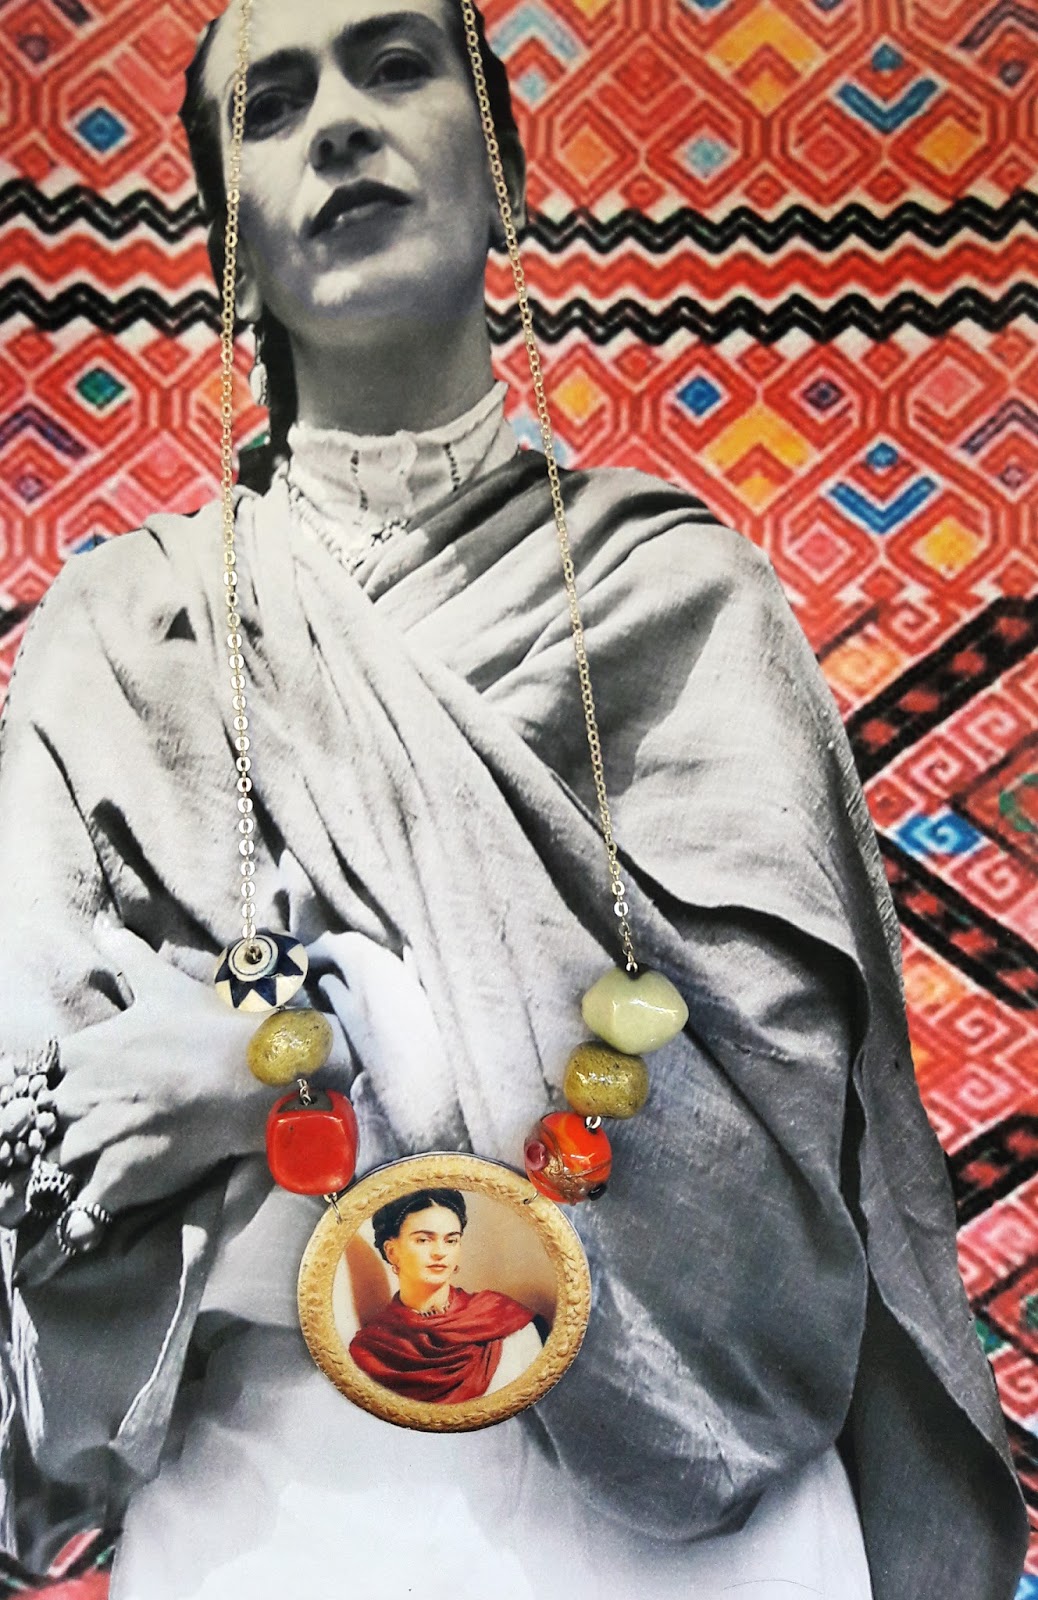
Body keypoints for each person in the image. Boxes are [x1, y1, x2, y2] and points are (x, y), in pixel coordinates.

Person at [0, 0, 1027, 1596]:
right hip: (276, 1505)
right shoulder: (124, 636)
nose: (340, 123)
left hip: (697, 1515)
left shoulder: (682, 600)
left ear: (503, 179)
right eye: (272, 105)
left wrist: (292, 1066)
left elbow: (759, 1136)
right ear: (230, 251)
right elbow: (50, 1119)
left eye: (395, 65)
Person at [348, 1188, 543, 1401]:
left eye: (451, 1240)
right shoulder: (371, 1349)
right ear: (392, 1252)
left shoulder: (506, 1322)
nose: (440, 1252)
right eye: (424, 1240)